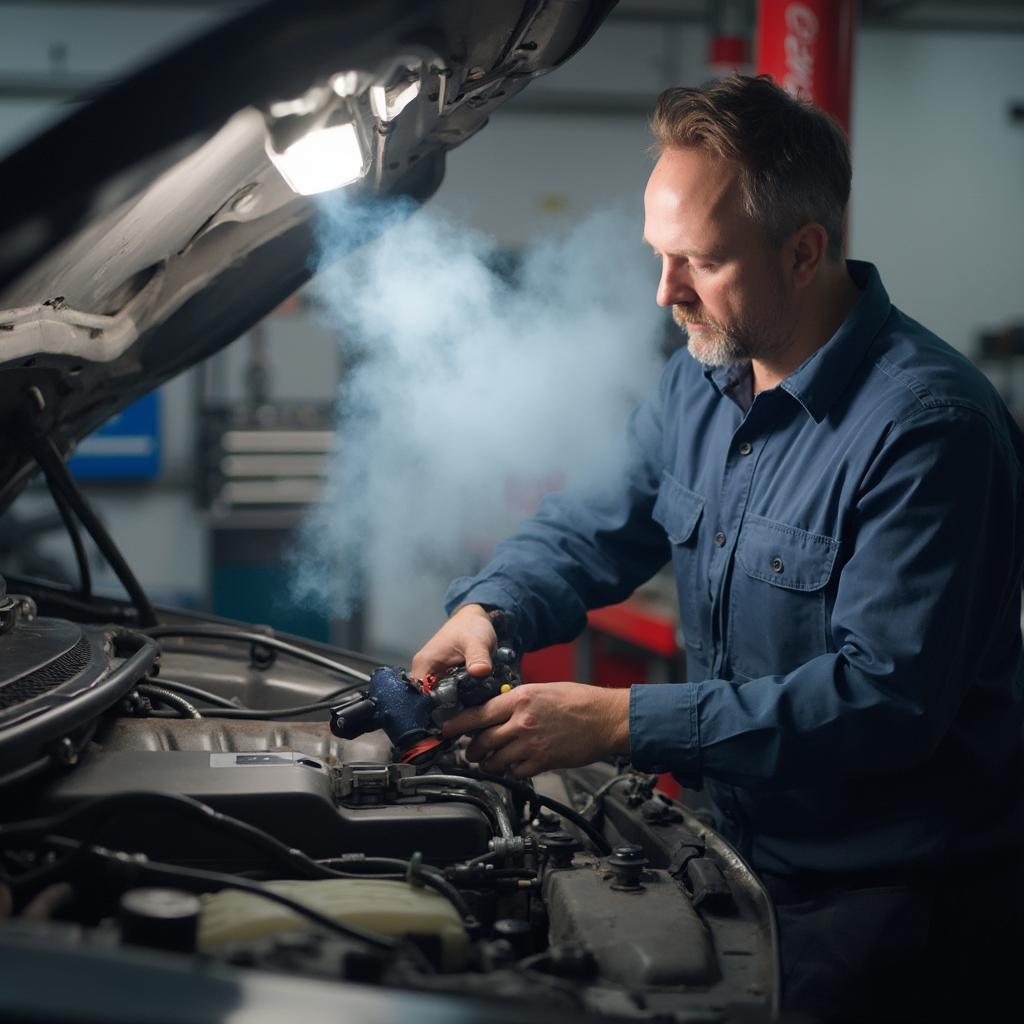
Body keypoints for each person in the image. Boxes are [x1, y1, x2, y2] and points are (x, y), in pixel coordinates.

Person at [411, 75, 1024, 1021]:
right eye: (659, 257)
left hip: (894, 911)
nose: (666, 293)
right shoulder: (698, 383)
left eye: (696, 262)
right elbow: (591, 527)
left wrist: (620, 721)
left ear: (803, 253)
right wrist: (486, 608)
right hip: (733, 858)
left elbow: (884, 701)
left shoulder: (930, 430)